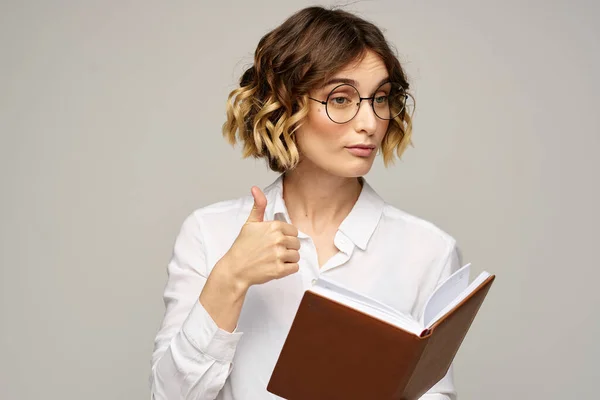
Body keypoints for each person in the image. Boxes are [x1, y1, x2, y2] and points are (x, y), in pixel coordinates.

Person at [150, 6, 461, 400]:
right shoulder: (209, 234)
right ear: (286, 104)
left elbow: (434, 393)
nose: (369, 121)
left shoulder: (429, 251)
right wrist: (231, 278)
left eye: (380, 98)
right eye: (341, 98)